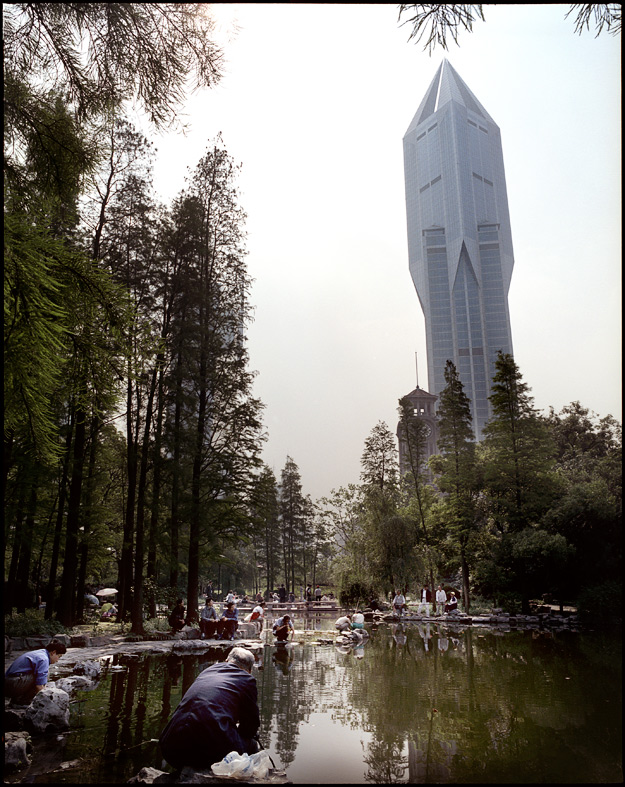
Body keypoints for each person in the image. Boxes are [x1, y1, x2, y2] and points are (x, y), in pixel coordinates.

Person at [159, 647, 260, 771]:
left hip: (170, 747)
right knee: (252, 744)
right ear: (249, 670)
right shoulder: (247, 680)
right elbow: (250, 727)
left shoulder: (208, 671)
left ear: (226, 660)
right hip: (211, 750)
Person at [5, 639, 67, 705]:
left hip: (10, 682)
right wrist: (46, 702)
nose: (58, 660)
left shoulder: (41, 652)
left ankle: (18, 700)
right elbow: (39, 686)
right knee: (38, 677)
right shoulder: (44, 659)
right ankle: (22, 702)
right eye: (59, 656)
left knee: (43, 674)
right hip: (11, 685)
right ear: (53, 652)